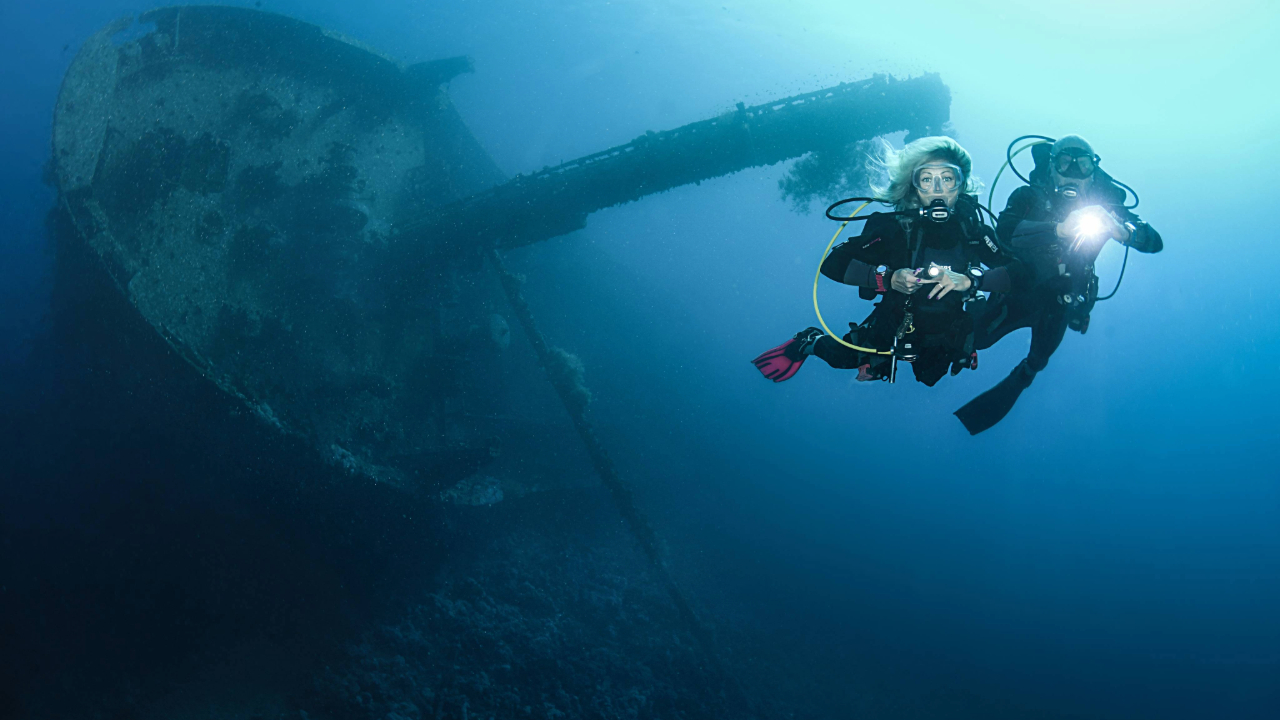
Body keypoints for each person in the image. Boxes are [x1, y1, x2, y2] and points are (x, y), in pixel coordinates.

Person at [752, 136, 1016, 386]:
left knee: (929, 376)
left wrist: (973, 280)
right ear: (913, 186)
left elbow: (1020, 271)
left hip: (950, 324)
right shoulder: (894, 228)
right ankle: (808, 341)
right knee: (843, 358)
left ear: (962, 184)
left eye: (948, 178)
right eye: (927, 179)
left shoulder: (973, 232)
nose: (938, 189)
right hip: (897, 317)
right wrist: (888, 278)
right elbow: (832, 263)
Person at [954, 134, 1163, 434]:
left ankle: (1018, 381)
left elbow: (1154, 241)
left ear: (1094, 172)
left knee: (1037, 361)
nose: (1073, 172)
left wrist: (1127, 232)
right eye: (1065, 163)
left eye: (1083, 164)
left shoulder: (1106, 207)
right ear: (1051, 168)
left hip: (1061, 302)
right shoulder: (1028, 196)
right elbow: (1005, 231)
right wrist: (1058, 229)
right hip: (1019, 288)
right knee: (976, 340)